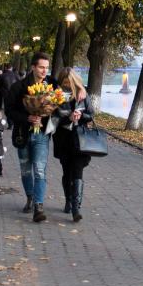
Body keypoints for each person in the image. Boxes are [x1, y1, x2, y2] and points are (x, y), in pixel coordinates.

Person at [6, 52, 57, 222]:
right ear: (33, 67)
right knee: (26, 169)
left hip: (42, 135)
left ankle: (38, 206)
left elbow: (60, 105)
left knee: (40, 169)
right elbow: (9, 111)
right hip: (23, 133)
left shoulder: (52, 85)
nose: (44, 71)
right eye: (41, 67)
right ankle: (30, 197)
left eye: (46, 68)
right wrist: (27, 118)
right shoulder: (19, 87)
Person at [53, 67, 92, 222]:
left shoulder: (83, 95)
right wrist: (68, 117)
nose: (68, 85)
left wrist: (81, 115)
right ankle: (68, 200)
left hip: (80, 139)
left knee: (77, 171)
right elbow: (53, 118)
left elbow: (91, 114)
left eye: (70, 82)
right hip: (63, 138)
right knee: (67, 171)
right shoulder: (57, 95)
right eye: (64, 82)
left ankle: (76, 207)